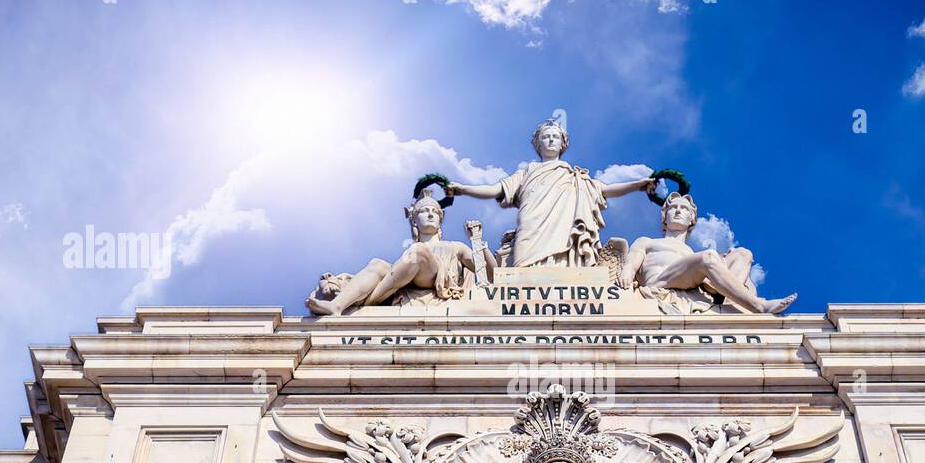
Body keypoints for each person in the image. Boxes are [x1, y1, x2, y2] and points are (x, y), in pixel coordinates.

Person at [448, 117, 653, 268]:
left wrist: (638, 185)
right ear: (538, 143)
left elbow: (605, 190)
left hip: (564, 230)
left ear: (562, 143)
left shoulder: (575, 176)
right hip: (531, 225)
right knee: (521, 268)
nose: (551, 140)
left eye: (555, 136)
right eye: (546, 137)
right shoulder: (527, 173)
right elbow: (495, 190)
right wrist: (463, 189)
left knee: (562, 267)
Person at [306, 189, 491, 315]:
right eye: (424, 211)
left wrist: (478, 241)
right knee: (378, 264)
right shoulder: (409, 256)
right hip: (408, 283)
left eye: (434, 211)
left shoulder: (455, 246)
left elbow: (493, 274)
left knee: (418, 252)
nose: (430, 214)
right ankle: (337, 306)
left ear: (440, 220)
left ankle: (364, 302)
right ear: (414, 221)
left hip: (439, 283)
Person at [619, 192, 796, 314]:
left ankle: (728, 306)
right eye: (674, 208)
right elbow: (632, 261)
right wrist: (627, 271)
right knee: (708, 256)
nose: (679, 211)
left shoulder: (690, 253)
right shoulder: (647, 241)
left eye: (685, 209)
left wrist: (725, 259)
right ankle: (758, 305)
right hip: (660, 284)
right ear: (664, 217)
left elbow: (702, 268)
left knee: (743, 253)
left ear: (692, 219)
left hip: (692, 285)